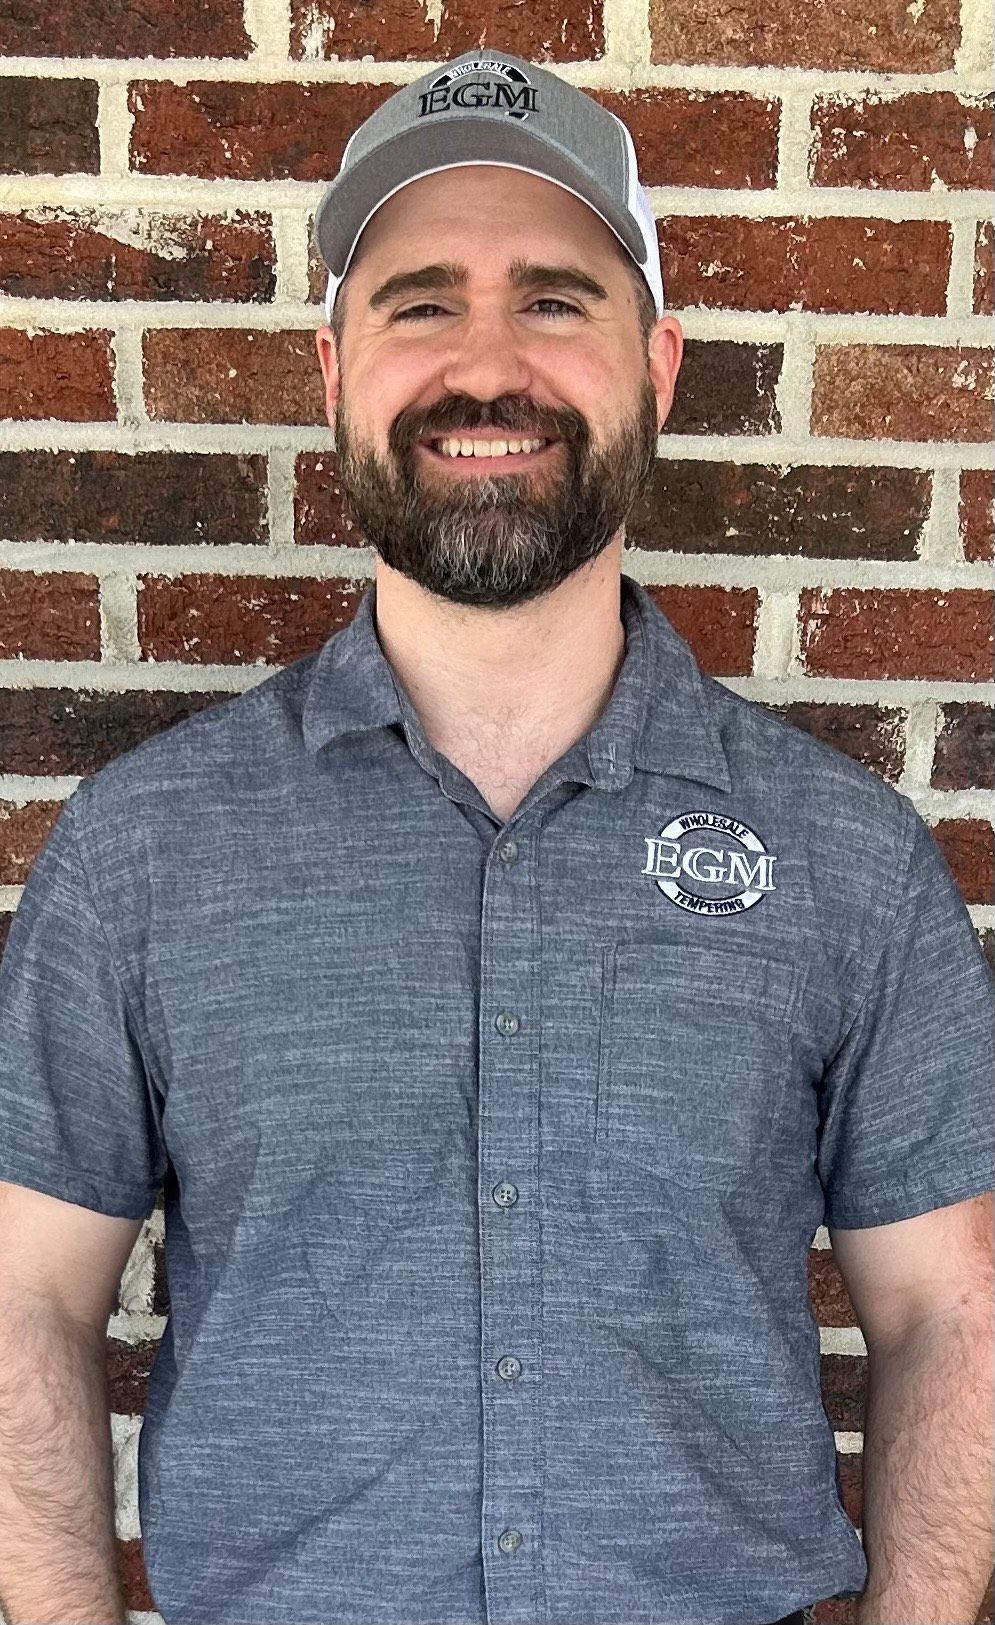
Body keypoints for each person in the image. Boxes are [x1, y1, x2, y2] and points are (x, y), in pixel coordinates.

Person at [0, 47, 991, 1625]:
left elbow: (948, 1312)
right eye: (416, 303)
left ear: (656, 368)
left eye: (552, 298)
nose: (486, 363)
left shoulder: (847, 863)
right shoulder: (142, 857)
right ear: (330, 368)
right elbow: (26, 1302)